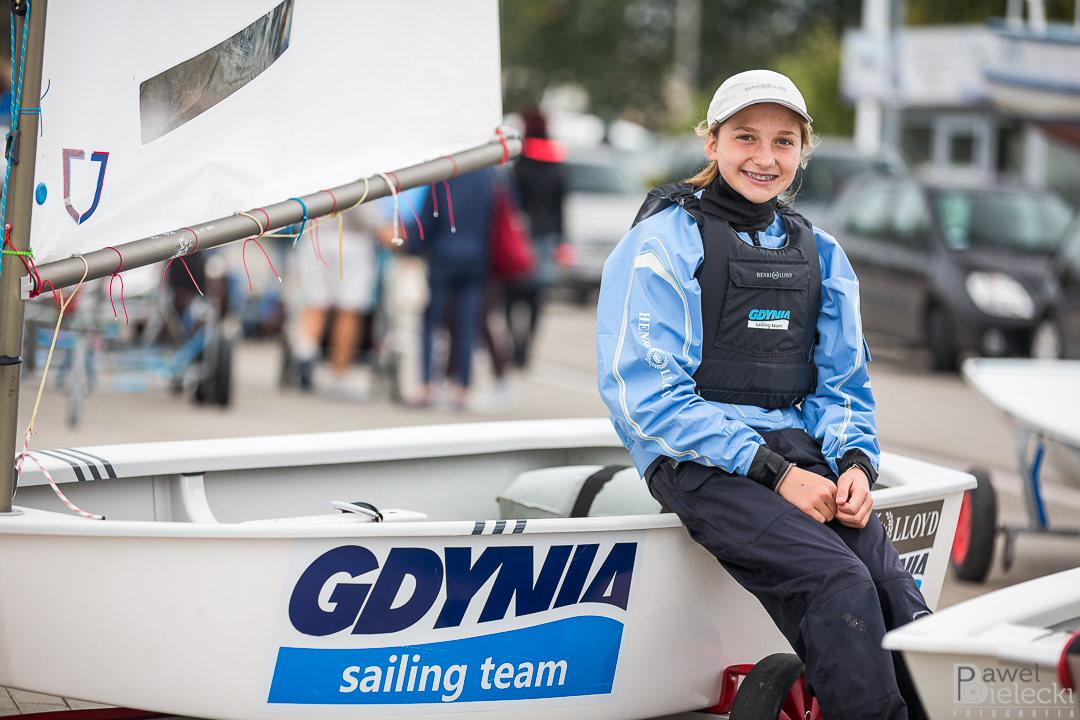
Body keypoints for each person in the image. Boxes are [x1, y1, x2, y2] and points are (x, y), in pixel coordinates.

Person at [596, 70, 929, 720]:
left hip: (795, 453)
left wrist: (855, 464)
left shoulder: (822, 253)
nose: (765, 157)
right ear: (712, 142)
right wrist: (775, 475)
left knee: (892, 586)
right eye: (746, 137)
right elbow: (646, 399)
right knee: (837, 581)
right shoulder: (661, 244)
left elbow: (842, 387)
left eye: (784, 141)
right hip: (697, 462)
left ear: (803, 150)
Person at [406, 167, 497, 409]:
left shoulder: (444, 174)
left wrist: (412, 250)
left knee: (430, 323)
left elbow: (427, 217)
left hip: (443, 256)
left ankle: (428, 385)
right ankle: (462, 389)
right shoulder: (489, 175)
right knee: (467, 325)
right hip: (477, 257)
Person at [291, 203, 381, 396]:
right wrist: (381, 228)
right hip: (351, 240)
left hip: (314, 236)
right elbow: (362, 208)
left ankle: (305, 356)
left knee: (315, 303)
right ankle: (338, 375)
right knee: (349, 309)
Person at [506, 108, 567, 368]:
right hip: (547, 235)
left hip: (520, 234)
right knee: (536, 297)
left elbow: (509, 198)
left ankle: (514, 344)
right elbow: (561, 204)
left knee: (511, 294)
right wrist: (562, 239)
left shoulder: (520, 161)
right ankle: (527, 347)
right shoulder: (555, 160)